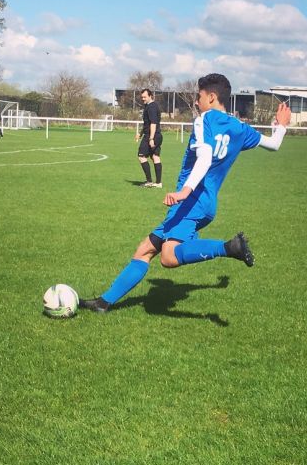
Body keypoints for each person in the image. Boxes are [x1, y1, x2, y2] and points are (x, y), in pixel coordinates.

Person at [79, 73, 292, 313]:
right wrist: (281, 125)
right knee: (145, 250)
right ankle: (103, 303)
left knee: (168, 257)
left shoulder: (204, 120)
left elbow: (204, 157)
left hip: (191, 200)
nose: (196, 101)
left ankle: (229, 247)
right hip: (206, 203)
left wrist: (184, 192)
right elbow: (274, 144)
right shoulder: (239, 127)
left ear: (211, 97)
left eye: (199, 96)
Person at [137, 88, 163, 187]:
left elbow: (153, 123)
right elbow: (147, 124)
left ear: (150, 96)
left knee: (141, 156)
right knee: (155, 157)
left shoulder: (151, 107)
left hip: (152, 136)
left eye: (145, 97)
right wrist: (140, 134)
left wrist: (151, 138)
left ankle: (149, 181)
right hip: (157, 135)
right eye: (142, 97)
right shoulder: (150, 106)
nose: (143, 99)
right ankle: (158, 183)